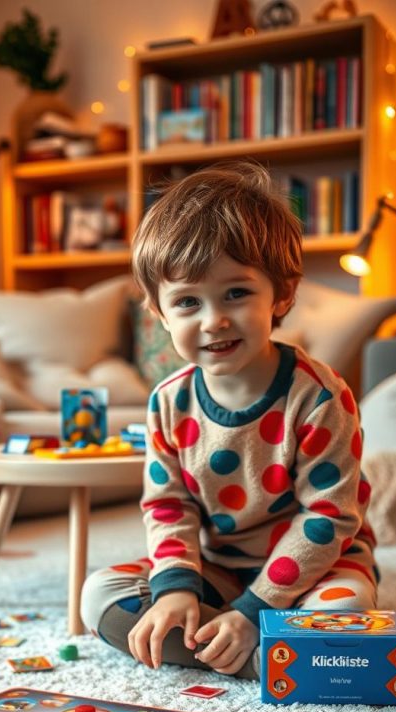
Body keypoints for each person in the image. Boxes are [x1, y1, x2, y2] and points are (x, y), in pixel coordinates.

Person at [80, 162, 378, 679]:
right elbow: (168, 505)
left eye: (236, 294)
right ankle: (275, 660)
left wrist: (253, 611)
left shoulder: (321, 394)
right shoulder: (168, 403)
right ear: (160, 313)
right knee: (100, 595)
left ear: (281, 294)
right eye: (188, 302)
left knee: (341, 616)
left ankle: (257, 645)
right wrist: (175, 590)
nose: (213, 320)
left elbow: (329, 517)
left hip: (317, 567)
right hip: (219, 569)